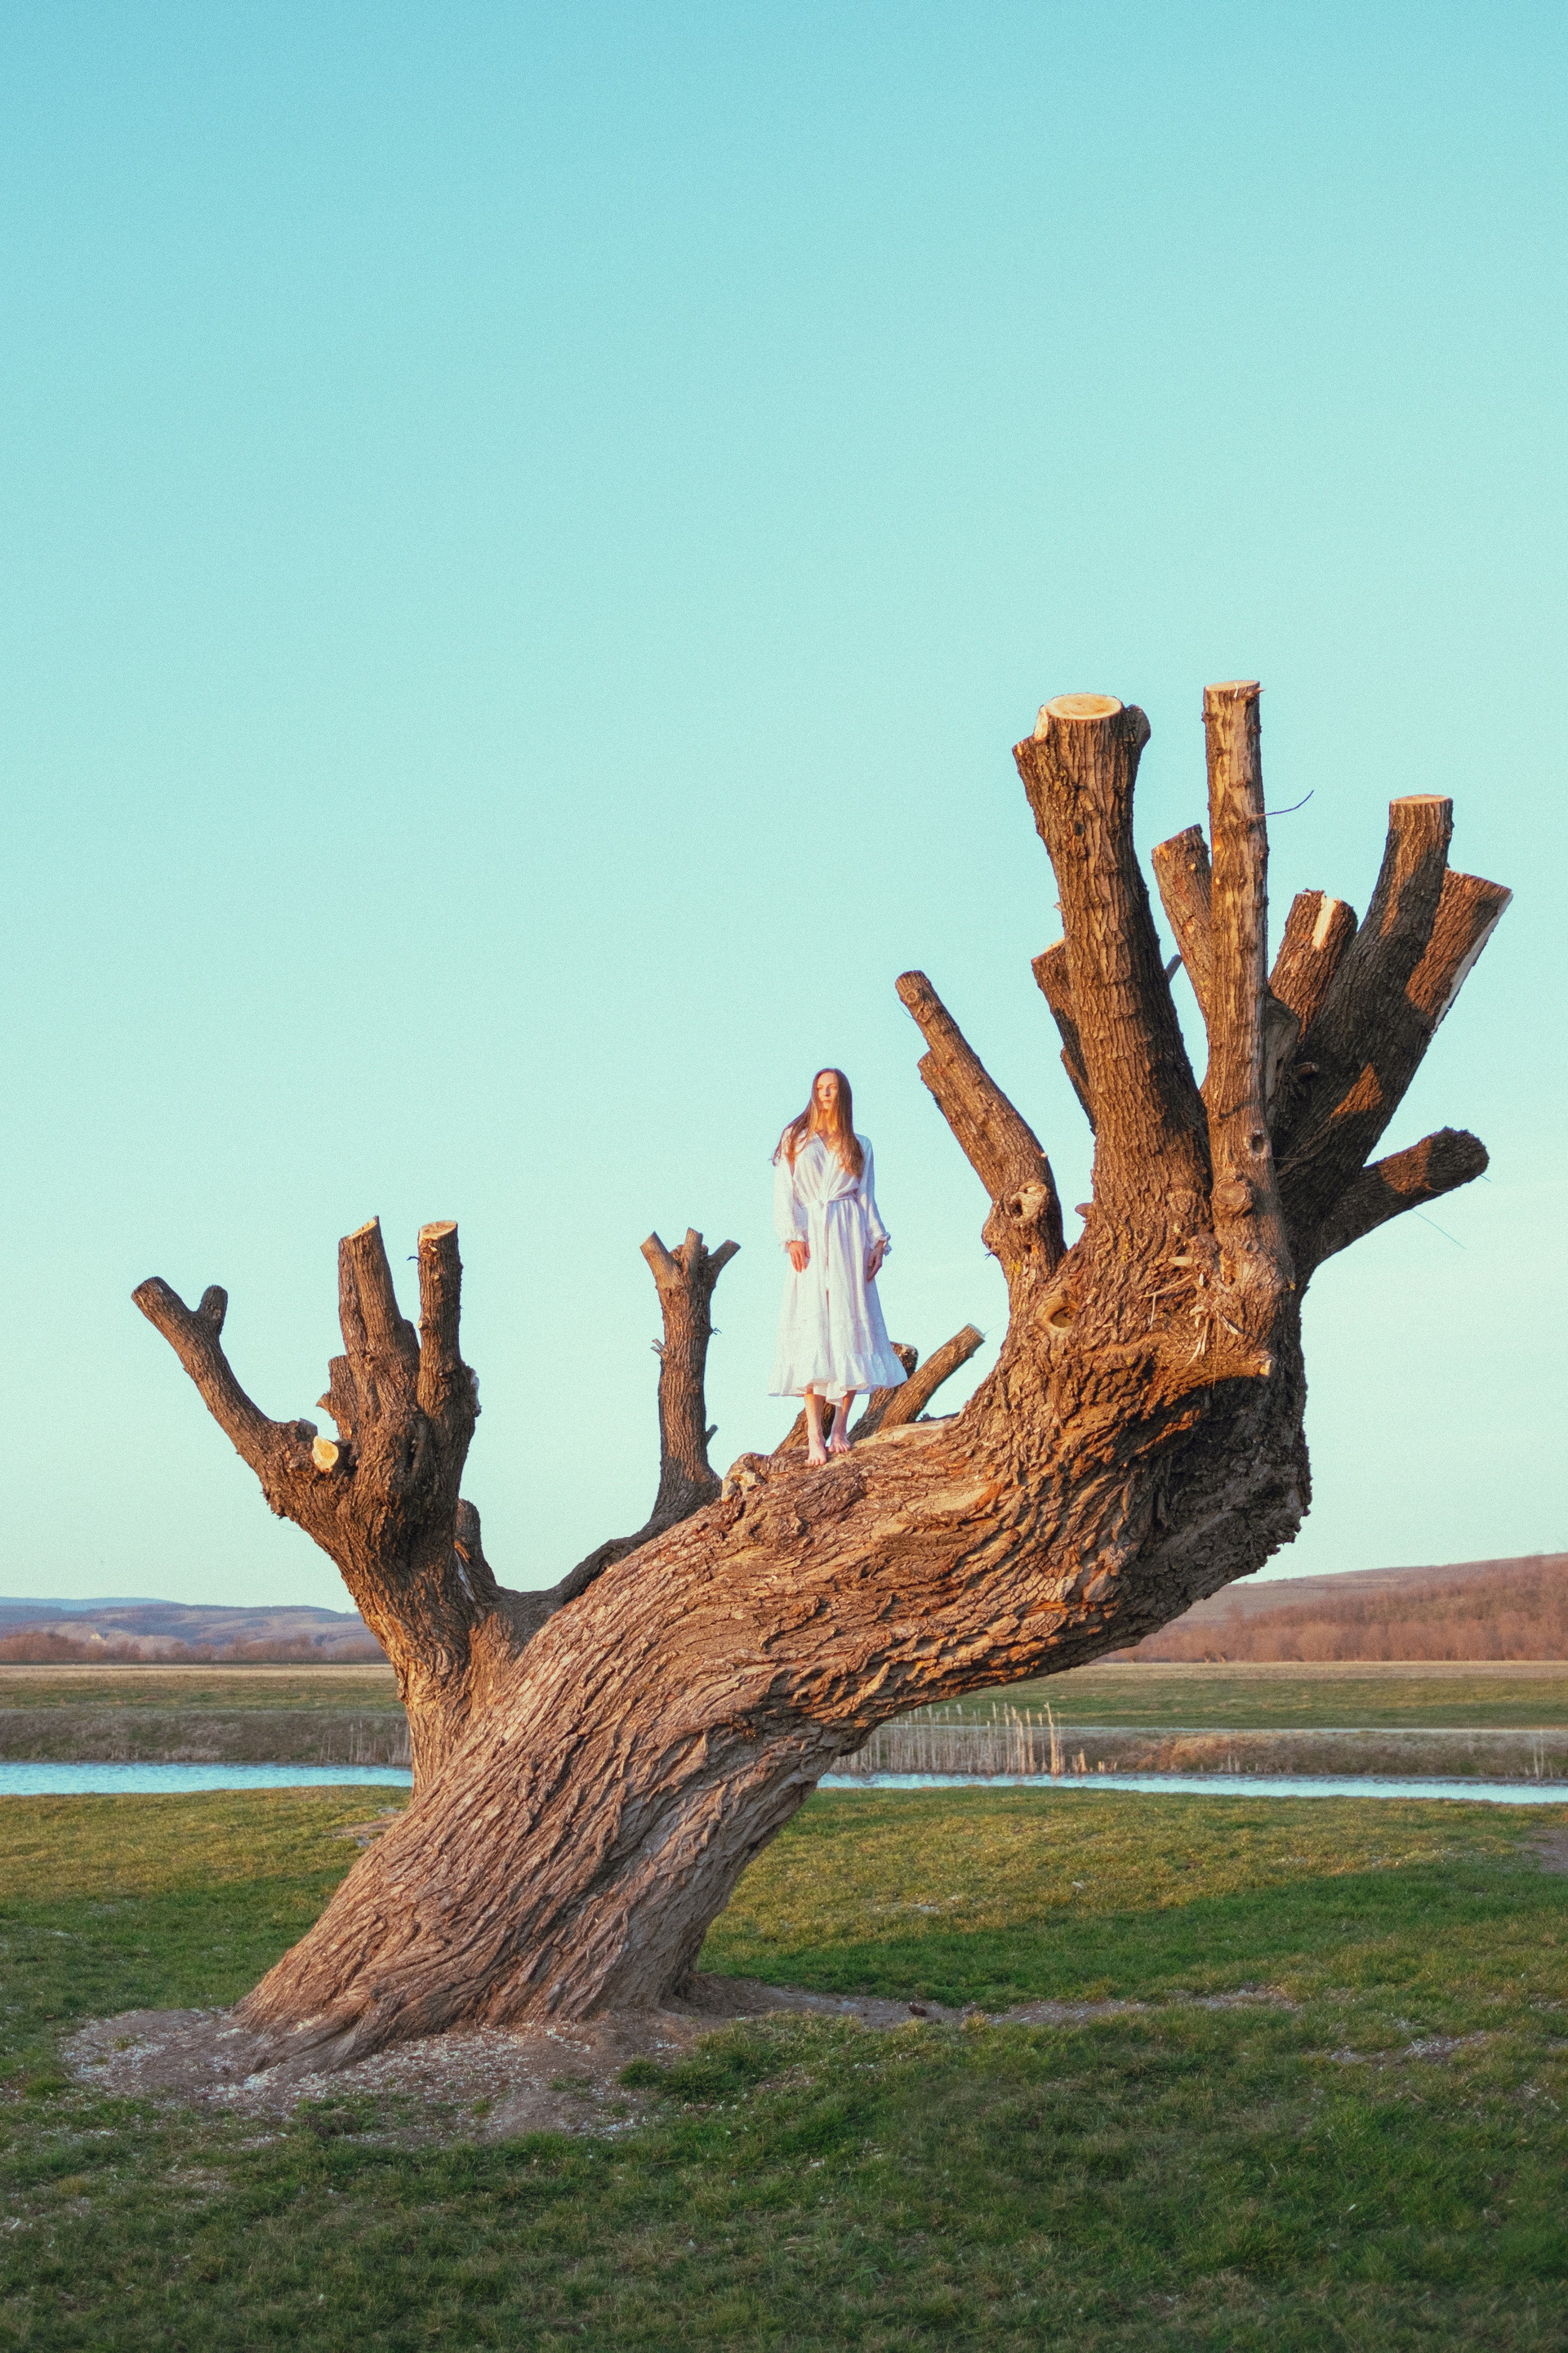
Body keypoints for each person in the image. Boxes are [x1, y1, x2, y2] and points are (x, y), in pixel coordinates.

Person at [770, 1067, 905, 1466]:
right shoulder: (795, 1139)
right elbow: (784, 1193)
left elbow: (866, 1197)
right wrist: (792, 1236)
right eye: (819, 1088)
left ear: (842, 1094)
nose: (824, 1093)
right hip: (812, 1233)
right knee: (813, 1327)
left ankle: (840, 1428)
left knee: (851, 1325)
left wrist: (878, 1242)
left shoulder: (860, 1144)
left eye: (831, 1088)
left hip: (849, 1235)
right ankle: (814, 1434)